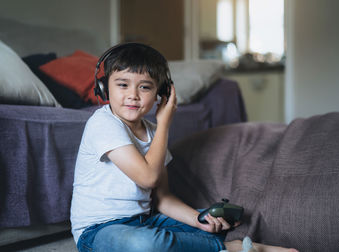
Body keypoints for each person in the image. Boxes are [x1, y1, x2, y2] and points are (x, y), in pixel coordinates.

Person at [70, 43, 298, 252]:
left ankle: (213, 241)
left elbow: (163, 199)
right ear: (103, 87)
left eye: (145, 87)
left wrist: (199, 221)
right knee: (146, 244)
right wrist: (165, 123)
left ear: (162, 93)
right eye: (122, 85)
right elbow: (148, 178)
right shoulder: (103, 123)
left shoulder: (152, 132)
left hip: (146, 220)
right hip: (98, 230)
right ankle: (234, 248)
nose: (133, 95)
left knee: (214, 221)